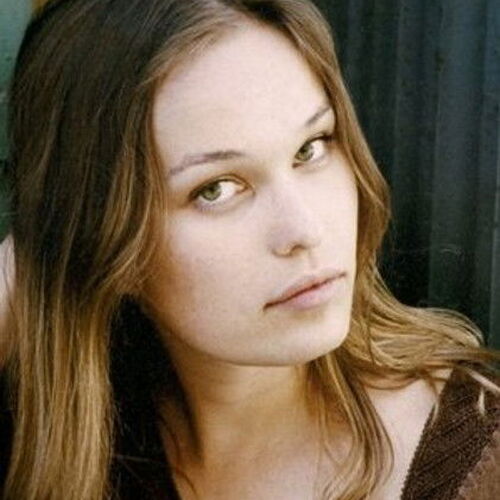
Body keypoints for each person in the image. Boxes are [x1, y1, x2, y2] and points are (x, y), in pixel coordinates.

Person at [0, 0, 499, 499]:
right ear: (103, 236)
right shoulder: (73, 432)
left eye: (311, 148)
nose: (305, 229)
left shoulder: (474, 463)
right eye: (216, 189)